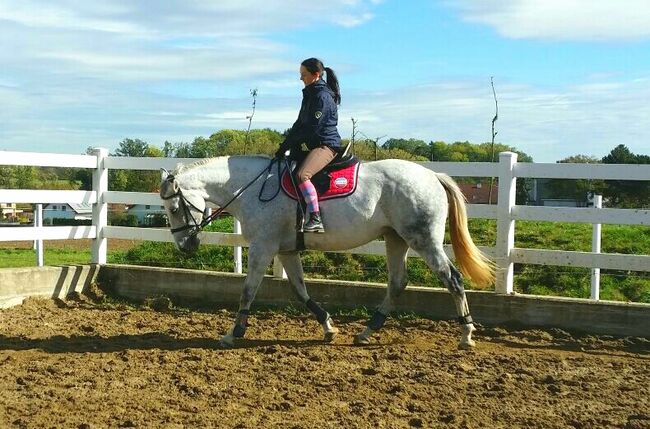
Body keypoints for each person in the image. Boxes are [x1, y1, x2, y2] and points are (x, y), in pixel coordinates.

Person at [275, 57, 343, 233]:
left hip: (326, 145)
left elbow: (313, 128)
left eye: (303, 75)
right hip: (314, 145)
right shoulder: (310, 94)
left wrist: (295, 142)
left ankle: (315, 217)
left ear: (316, 75)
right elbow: (299, 124)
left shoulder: (322, 96)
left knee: (302, 175)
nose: (301, 78)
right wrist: (285, 145)